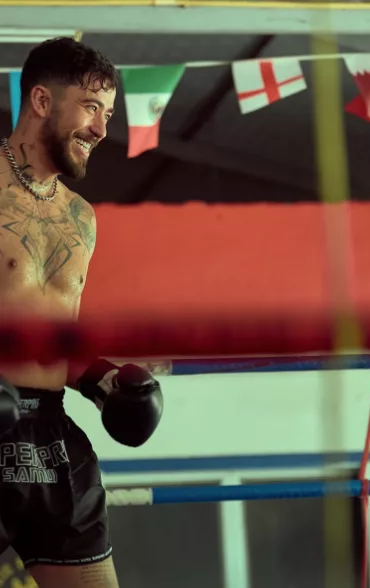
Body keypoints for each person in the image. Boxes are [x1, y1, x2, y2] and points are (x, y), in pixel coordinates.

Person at [0, 37, 163, 588]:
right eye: (91, 108)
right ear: (42, 101)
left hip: (50, 436)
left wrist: (105, 382)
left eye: (109, 114)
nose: (100, 129)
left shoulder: (80, 218)